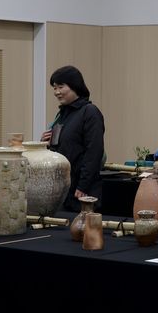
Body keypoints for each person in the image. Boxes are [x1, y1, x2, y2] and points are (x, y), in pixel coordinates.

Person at [41, 65, 105, 212]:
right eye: (54, 88)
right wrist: (45, 144)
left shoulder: (90, 112)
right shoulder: (63, 114)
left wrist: (83, 186)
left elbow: (94, 152)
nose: (57, 92)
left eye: (61, 87)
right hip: (62, 189)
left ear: (75, 86)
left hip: (81, 192)